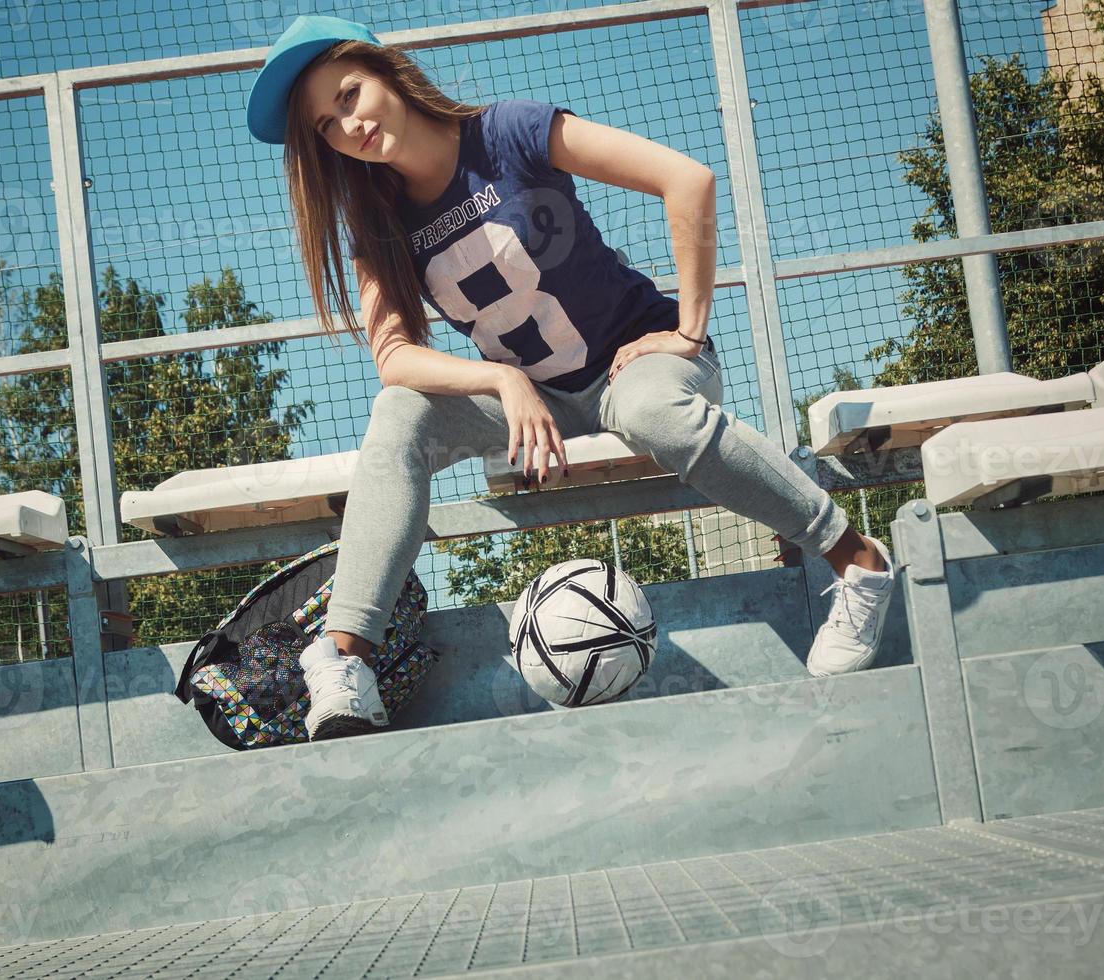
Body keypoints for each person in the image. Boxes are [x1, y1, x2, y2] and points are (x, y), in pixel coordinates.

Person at [245, 15, 895, 741]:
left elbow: (686, 180)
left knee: (656, 413)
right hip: (536, 398)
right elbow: (395, 358)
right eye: (326, 125)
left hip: (633, 364)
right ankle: (343, 662)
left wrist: (687, 328)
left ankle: (857, 562)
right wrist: (503, 384)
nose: (348, 124)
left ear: (387, 71)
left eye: (349, 94)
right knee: (400, 414)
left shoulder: (510, 133)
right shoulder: (379, 222)